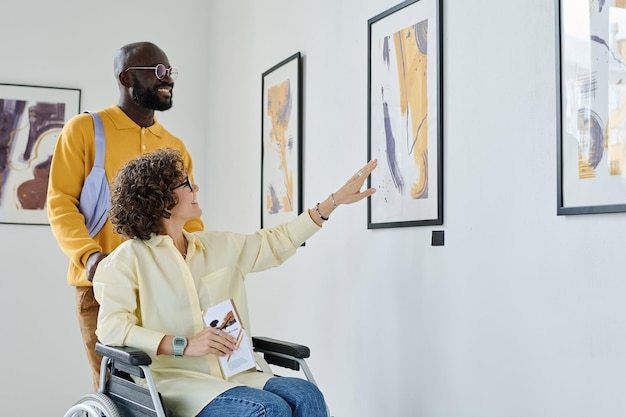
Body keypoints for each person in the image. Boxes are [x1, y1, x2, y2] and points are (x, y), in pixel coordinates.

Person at [93, 148, 377, 417]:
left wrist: (333, 202)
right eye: (186, 184)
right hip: (177, 385)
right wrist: (183, 345)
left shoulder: (217, 246)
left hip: (237, 373)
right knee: (268, 409)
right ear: (161, 201)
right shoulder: (126, 262)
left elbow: (276, 242)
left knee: (307, 395)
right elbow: (112, 328)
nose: (196, 189)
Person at [46, 41, 204, 389]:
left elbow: (190, 222)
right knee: (118, 392)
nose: (168, 80)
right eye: (159, 72)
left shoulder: (175, 146)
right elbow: (59, 203)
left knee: (170, 390)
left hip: (164, 290)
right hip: (100, 287)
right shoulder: (84, 130)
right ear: (126, 77)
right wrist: (89, 257)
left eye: (170, 72)